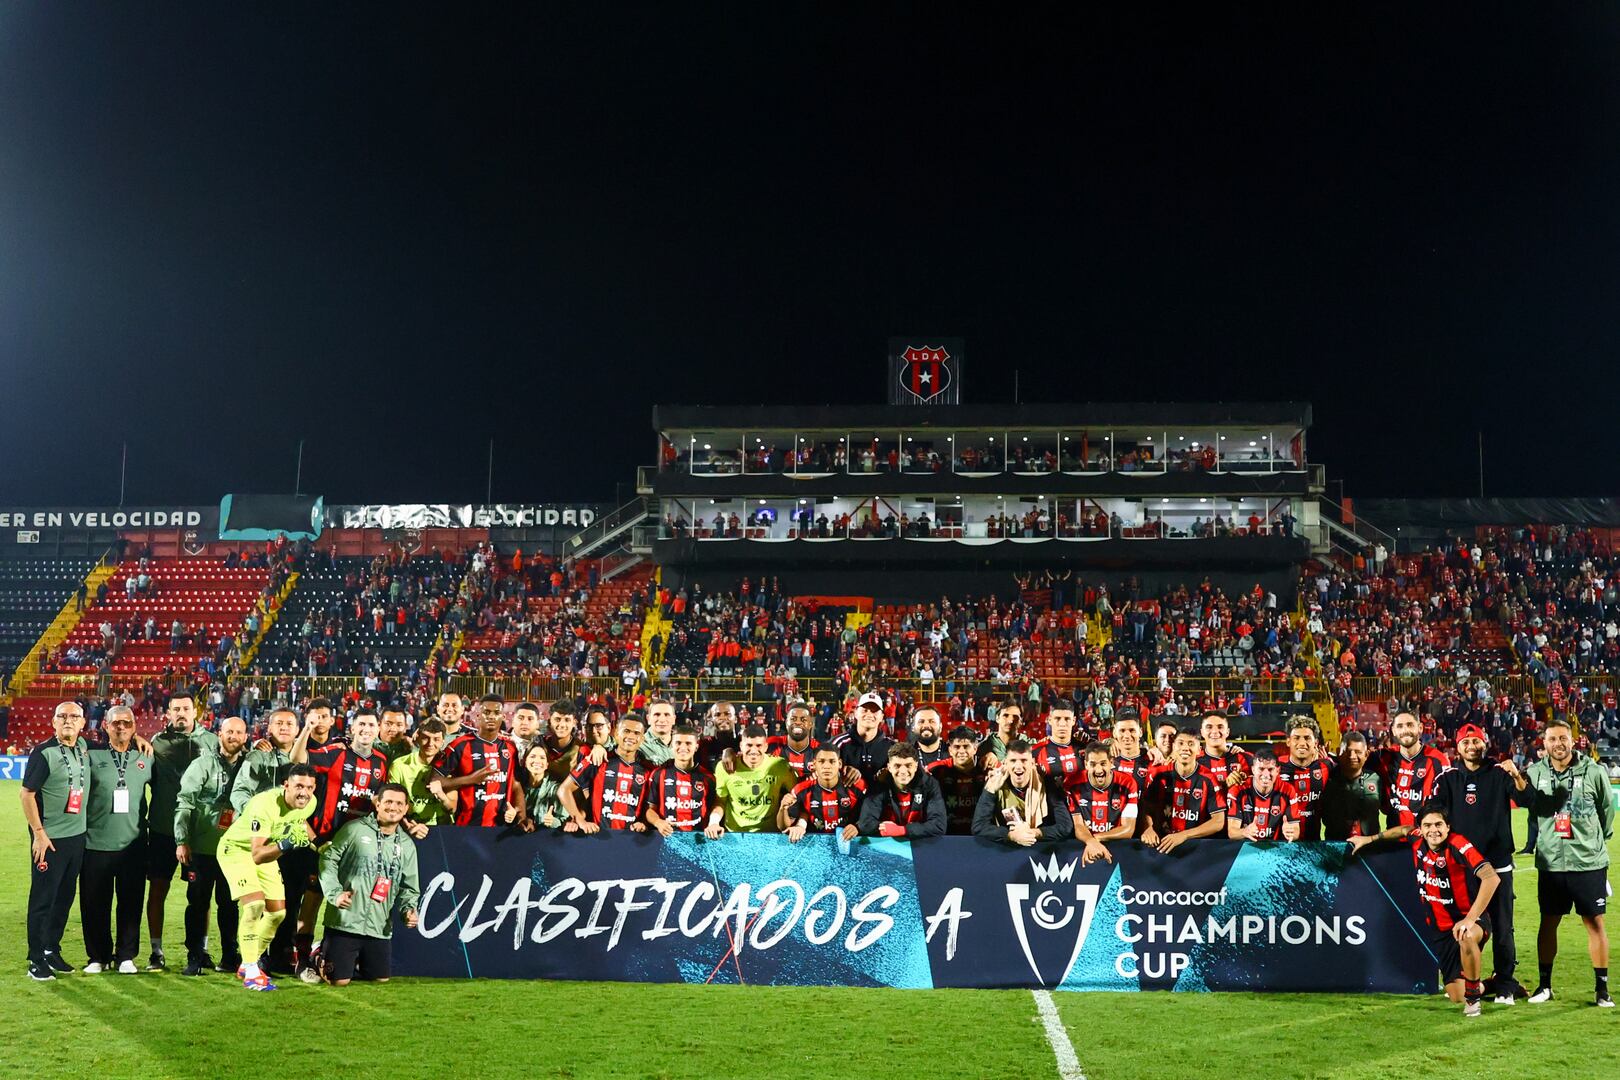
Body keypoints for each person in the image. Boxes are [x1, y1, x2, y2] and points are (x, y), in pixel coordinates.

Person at [1521, 720, 1614, 1006]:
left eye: (1563, 738)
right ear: (1544, 743)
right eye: (1551, 739)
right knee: (1548, 922)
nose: (1558, 744)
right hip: (1551, 864)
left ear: (1573, 741)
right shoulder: (1534, 774)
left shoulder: (1594, 771)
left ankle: (1601, 989)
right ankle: (1545, 986)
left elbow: (1606, 811)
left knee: (1594, 922)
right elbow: (1532, 812)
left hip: (1587, 862)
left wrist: (1595, 841)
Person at [1431, 723, 1525, 1002]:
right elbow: (1433, 813)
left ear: (1485, 743)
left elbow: (1526, 798)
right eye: (1465, 742)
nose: (1472, 746)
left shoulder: (1499, 772)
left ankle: (1505, 983)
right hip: (1461, 869)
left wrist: (1517, 775)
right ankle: (1465, 977)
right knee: (1462, 925)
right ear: (1457, 747)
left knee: (1503, 927)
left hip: (1497, 865)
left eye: (1476, 741)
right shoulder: (1448, 778)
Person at [217, 764, 319, 992]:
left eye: (310, 787)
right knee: (254, 906)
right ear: (286, 786)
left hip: (268, 851)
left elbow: (300, 821)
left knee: (277, 914)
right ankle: (252, 970)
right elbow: (257, 854)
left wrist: (319, 845)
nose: (304, 792)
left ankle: (246, 962)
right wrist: (286, 843)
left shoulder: (309, 803)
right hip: (238, 850)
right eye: (299, 786)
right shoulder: (264, 805)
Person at [314, 783, 420, 987]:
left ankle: (351, 961)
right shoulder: (354, 829)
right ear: (377, 804)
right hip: (345, 922)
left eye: (399, 803)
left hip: (379, 927)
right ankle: (317, 954)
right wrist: (335, 893)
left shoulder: (407, 845)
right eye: (388, 801)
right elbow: (328, 859)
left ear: (406, 808)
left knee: (380, 979)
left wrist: (408, 910)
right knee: (339, 981)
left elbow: (410, 887)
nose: (393, 807)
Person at [146, 691, 219, 971]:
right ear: (168, 713)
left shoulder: (211, 741)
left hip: (199, 832)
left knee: (201, 893)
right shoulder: (157, 743)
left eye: (185, 708)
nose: (181, 713)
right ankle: (156, 951)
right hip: (164, 828)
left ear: (195, 712)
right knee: (158, 888)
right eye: (175, 709)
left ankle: (200, 950)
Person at [1404, 808, 1499, 1016]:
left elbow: (1491, 877)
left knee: (1465, 935)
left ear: (1448, 827)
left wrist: (1469, 919)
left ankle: (1473, 1002)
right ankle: (1492, 985)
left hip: (1470, 919)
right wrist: (1370, 839)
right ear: (1420, 829)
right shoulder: (1417, 841)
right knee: (1456, 995)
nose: (1433, 830)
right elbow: (1403, 830)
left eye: (1438, 824)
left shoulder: (1458, 844)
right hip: (1441, 929)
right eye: (1427, 825)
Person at [21, 701, 92, 980]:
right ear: (53, 721)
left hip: (76, 838)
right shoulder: (43, 752)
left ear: (83, 723)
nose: (68, 721)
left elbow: (118, 739)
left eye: (74, 716)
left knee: (64, 897)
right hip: (50, 841)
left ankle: (51, 949)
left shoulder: (85, 747)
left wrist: (138, 737)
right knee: (43, 899)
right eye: (62, 716)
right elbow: (26, 795)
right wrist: (38, 833)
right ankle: (35, 959)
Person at [81, 706, 154, 974]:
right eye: (116, 723)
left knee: (131, 903)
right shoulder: (91, 755)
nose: (121, 727)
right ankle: (98, 957)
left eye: (126, 723)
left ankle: (126, 956)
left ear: (134, 726)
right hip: (95, 843)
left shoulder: (146, 757)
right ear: (105, 726)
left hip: (133, 844)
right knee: (94, 905)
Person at [175, 714, 249, 976]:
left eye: (239, 733)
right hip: (202, 849)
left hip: (234, 850)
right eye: (229, 732)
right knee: (197, 903)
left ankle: (230, 956)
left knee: (229, 904)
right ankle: (195, 956)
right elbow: (185, 802)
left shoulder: (250, 765)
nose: (233, 737)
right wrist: (182, 840)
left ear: (246, 737)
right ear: (220, 733)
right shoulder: (202, 764)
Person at [432, 694, 530, 829]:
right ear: (478, 716)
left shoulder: (510, 747)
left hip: (500, 829)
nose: (491, 716)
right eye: (486, 712)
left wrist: (521, 817)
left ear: (503, 717)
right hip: (466, 827)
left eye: (496, 713)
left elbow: (515, 785)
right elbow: (434, 780)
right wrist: (470, 779)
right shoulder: (460, 745)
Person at [560, 713, 652, 833]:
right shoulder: (597, 760)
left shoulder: (648, 770)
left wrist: (644, 823)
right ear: (616, 734)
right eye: (626, 731)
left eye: (636, 733)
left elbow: (651, 806)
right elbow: (563, 790)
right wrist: (580, 821)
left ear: (642, 739)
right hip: (598, 837)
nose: (631, 736)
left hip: (630, 840)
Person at [972, 739, 1073, 846]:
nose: (1019, 766)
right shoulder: (994, 784)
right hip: (1005, 851)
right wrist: (1011, 836)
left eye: (1024, 760)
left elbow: (1065, 826)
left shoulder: (1046, 783)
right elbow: (979, 827)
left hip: (1040, 850)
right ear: (1005, 763)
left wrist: (1034, 833)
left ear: (1032, 763)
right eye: (1013, 761)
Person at [1142, 728, 1226, 853]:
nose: (1185, 748)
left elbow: (1218, 821)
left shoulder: (1208, 779)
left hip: (1195, 850)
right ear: (1174, 747)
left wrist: (1184, 835)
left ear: (1199, 750)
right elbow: (1144, 808)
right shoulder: (1159, 774)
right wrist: (1147, 828)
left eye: (1191, 744)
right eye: (1180, 743)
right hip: (1160, 846)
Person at [1373, 710, 1451, 831]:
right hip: (1393, 839)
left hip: (1426, 841)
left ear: (1420, 728)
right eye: (1400, 726)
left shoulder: (1438, 760)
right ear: (1393, 730)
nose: (1405, 731)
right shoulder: (1384, 757)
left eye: (1410, 725)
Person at [711, 724, 795, 833]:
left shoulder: (780, 766)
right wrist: (713, 823)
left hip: (769, 835)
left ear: (766, 746)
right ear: (741, 746)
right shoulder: (725, 767)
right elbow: (720, 801)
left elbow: (796, 795)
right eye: (749, 745)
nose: (753, 750)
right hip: (735, 834)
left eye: (758, 745)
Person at [856, 743, 946, 839]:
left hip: (920, 844)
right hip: (888, 844)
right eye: (897, 766)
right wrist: (883, 828)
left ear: (916, 766)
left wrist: (902, 830)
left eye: (908, 765)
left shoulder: (929, 784)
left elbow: (939, 825)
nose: (903, 771)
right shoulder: (879, 785)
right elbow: (865, 824)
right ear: (889, 767)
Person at [644, 726, 720, 837]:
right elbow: (650, 810)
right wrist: (658, 822)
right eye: (678, 743)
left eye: (688, 743)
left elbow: (716, 805)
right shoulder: (659, 774)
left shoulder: (708, 777)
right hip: (667, 838)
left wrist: (714, 823)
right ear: (672, 746)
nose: (683, 747)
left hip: (698, 839)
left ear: (696, 746)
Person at [1070, 742, 1137, 863]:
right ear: (1086, 764)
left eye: (1103, 763)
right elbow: (1078, 825)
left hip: (1117, 849)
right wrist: (1090, 842)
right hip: (1084, 849)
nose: (1099, 770)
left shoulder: (1128, 783)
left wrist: (1094, 840)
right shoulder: (1072, 784)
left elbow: (1128, 829)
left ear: (1111, 763)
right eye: (1093, 764)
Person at [780, 746, 864, 841]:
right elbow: (785, 826)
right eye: (821, 761)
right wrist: (798, 825)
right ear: (814, 764)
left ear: (840, 764)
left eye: (832, 761)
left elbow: (867, 815)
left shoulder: (857, 786)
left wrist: (857, 827)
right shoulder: (801, 790)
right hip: (815, 844)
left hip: (848, 842)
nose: (827, 766)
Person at [229, 707, 300, 811]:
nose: (284, 727)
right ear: (269, 728)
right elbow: (240, 792)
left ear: (297, 730)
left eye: (289, 724)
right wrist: (257, 814)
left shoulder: (306, 755)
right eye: (279, 723)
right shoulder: (258, 756)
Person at [1277, 717, 1334, 840]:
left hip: (1312, 843)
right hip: (1281, 843)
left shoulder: (1326, 767)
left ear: (1316, 742)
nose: (1302, 743)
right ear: (1288, 741)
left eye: (1307, 738)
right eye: (1296, 738)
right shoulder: (1275, 768)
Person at [1320, 730, 1383, 841]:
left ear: (1366, 754)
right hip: (1335, 848)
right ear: (1339, 752)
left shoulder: (1376, 779)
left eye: (1358, 752)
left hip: (1371, 850)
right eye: (1347, 751)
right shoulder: (1326, 779)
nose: (1352, 756)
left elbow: (1386, 808)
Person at [388, 718, 452, 827]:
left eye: (436, 739)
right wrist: (408, 825)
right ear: (417, 738)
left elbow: (452, 808)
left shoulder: (450, 765)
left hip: (443, 828)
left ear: (443, 742)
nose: (430, 744)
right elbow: (392, 802)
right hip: (409, 826)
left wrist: (441, 794)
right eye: (426, 738)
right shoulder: (399, 765)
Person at [1226, 749, 1300, 842]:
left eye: (1270, 769)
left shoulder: (1288, 790)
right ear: (1253, 769)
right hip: (1246, 849)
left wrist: (1291, 833)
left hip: (1276, 849)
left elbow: (1296, 831)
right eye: (1261, 769)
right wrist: (1244, 832)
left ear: (1278, 770)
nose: (1265, 774)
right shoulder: (1238, 790)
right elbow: (1232, 832)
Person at [927, 726, 988, 835]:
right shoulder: (936, 770)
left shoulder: (987, 768)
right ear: (950, 749)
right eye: (957, 746)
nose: (961, 751)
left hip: (981, 836)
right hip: (947, 836)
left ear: (975, 748)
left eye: (966, 746)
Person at [1031, 705, 1086, 808]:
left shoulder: (1085, 749)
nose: (1062, 724)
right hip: (1052, 814)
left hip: (1083, 811)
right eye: (1057, 719)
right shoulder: (1036, 752)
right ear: (1049, 720)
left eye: (1067, 719)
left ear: (1073, 720)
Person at [838, 693, 893, 786]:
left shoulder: (892, 747)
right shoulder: (839, 744)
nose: (869, 714)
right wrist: (841, 772)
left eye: (874, 711)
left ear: (882, 717)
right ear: (856, 713)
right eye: (865, 710)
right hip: (847, 799)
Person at [1196, 711, 1252, 790]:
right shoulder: (1195, 762)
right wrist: (1225, 785)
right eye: (1209, 727)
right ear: (1202, 732)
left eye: (1220, 727)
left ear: (1227, 732)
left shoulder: (1245, 758)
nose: (1215, 731)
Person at [766, 701, 820, 781]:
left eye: (803, 720)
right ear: (786, 722)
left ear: (810, 724)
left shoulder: (820, 750)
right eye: (793, 719)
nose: (798, 722)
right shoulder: (770, 744)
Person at [976, 701, 1021, 769]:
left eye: (1015, 717)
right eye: (1005, 716)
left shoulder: (1029, 745)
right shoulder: (985, 745)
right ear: (997, 718)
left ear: (1021, 721)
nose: (1010, 721)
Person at [638, 697, 677, 766]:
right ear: (648, 719)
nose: (662, 719)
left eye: (667, 715)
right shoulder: (638, 745)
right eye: (657, 714)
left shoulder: (683, 745)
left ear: (674, 719)